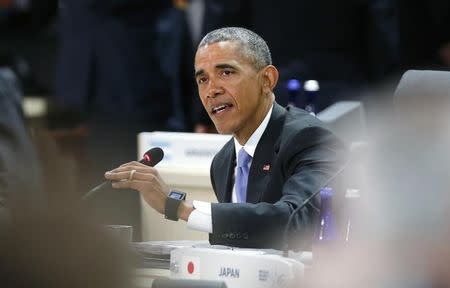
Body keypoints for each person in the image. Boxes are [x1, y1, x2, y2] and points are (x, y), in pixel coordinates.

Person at [105, 27, 346, 250]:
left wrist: (179, 207)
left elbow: (297, 221)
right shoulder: (222, 162)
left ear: (267, 80)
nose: (212, 90)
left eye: (226, 72)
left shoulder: (308, 138)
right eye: (203, 79)